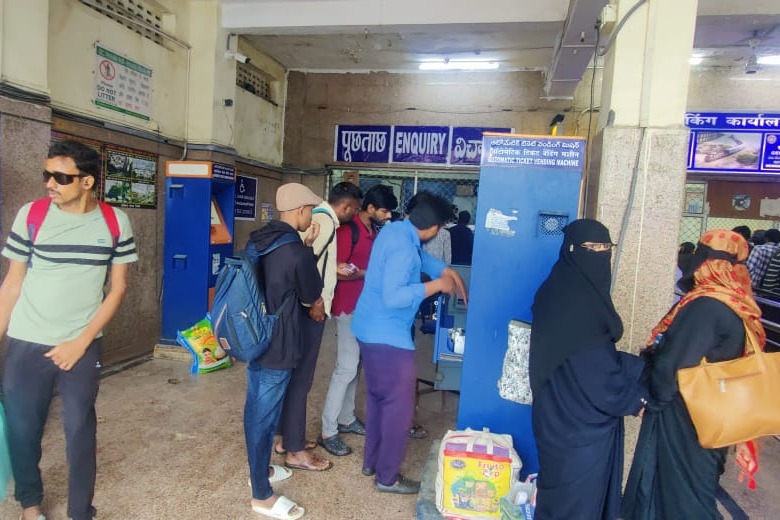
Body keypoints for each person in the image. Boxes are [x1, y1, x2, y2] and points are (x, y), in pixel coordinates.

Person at [0, 140, 138, 520]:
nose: (50, 183)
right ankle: (30, 505)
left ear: (87, 182)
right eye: (46, 174)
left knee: (79, 429)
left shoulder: (114, 222)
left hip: (82, 344)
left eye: (61, 177)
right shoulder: (31, 215)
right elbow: (11, 284)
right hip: (27, 340)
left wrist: (81, 342)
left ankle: (80, 512)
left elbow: (118, 289)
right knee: (23, 429)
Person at [622, 229, 765, 519]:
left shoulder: (707, 306)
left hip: (686, 417)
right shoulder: (735, 303)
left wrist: (652, 399)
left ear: (710, 263)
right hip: (713, 414)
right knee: (690, 490)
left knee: (683, 498)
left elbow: (674, 363)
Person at [528, 219, 647, 520]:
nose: (600, 253)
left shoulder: (559, 289)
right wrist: (635, 400)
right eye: (591, 247)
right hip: (577, 427)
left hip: (557, 410)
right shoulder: (575, 302)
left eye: (605, 247)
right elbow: (595, 370)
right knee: (575, 502)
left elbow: (584, 356)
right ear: (571, 249)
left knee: (561, 496)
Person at [352, 193, 467, 494]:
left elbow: (419, 256)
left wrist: (442, 268)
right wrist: (436, 285)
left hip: (368, 328)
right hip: (387, 337)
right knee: (399, 409)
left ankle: (372, 462)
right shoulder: (404, 247)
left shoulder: (396, 230)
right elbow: (394, 296)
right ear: (434, 229)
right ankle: (387, 478)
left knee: (379, 398)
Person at [244, 182, 324, 520]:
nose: (311, 217)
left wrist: (304, 247)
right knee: (263, 417)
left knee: (255, 408)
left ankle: (260, 470)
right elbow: (310, 293)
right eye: (310, 211)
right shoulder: (295, 251)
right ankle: (261, 495)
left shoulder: (258, 240)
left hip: (253, 335)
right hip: (279, 343)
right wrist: (309, 251)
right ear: (301, 210)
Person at [274, 181, 362, 471]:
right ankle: (294, 448)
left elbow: (308, 257)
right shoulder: (324, 221)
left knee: (294, 376)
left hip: (300, 307)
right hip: (309, 308)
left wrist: (331, 267)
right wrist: (316, 301)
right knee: (301, 379)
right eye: (355, 209)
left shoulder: (319, 221)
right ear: (346, 207)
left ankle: (285, 437)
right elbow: (303, 263)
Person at [318, 185, 398, 457]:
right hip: (347, 306)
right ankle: (328, 431)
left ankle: (346, 418)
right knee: (346, 368)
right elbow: (336, 270)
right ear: (371, 208)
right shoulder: (348, 231)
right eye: (385, 211)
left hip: (365, 308)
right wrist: (369, 273)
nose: (388, 216)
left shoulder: (371, 231)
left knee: (356, 366)